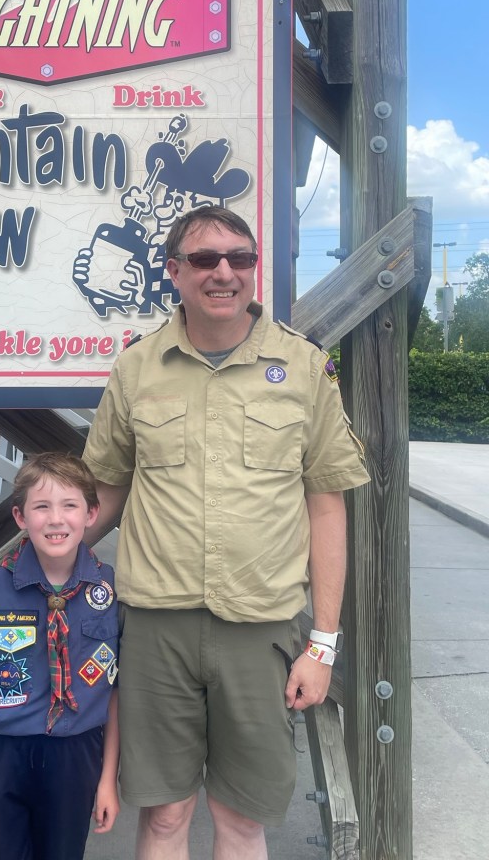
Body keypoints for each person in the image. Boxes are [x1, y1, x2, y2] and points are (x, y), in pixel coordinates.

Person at [82, 205, 369, 860]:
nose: (224, 273)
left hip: (262, 631)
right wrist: (46, 572)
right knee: (162, 818)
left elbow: (327, 505)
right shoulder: (135, 369)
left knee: (243, 822)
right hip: (157, 630)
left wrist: (322, 645)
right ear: (173, 271)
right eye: (206, 259)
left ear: (253, 268)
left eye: (240, 258)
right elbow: (105, 490)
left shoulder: (307, 367)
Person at [0, 452, 120, 860]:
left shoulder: (108, 593)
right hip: (2, 753)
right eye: (42, 507)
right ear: (21, 517)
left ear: (91, 513)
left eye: (69, 505)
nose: (56, 519)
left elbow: (115, 692)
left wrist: (108, 779)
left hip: (77, 755)